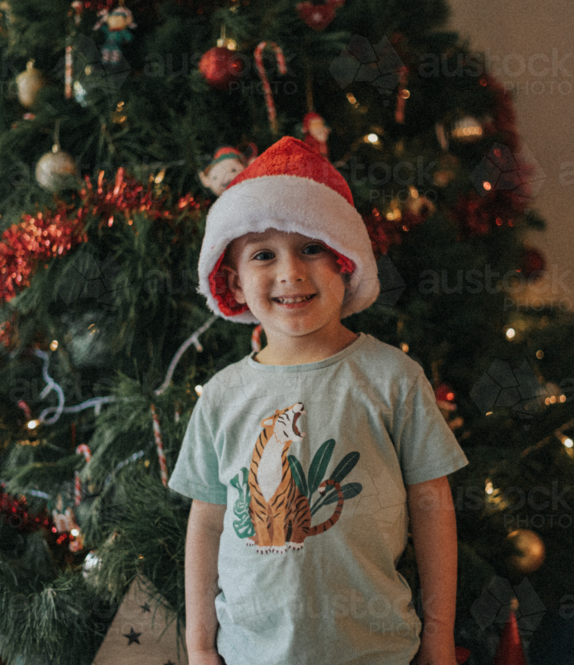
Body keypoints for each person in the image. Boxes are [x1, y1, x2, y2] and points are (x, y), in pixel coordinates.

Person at [168, 136, 469, 665]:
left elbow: (431, 505)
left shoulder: (392, 377)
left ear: (346, 263)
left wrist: (439, 635)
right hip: (248, 654)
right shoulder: (222, 395)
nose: (291, 273)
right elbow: (207, 523)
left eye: (312, 247)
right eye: (264, 255)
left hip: (374, 650)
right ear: (234, 284)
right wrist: (198, 646)